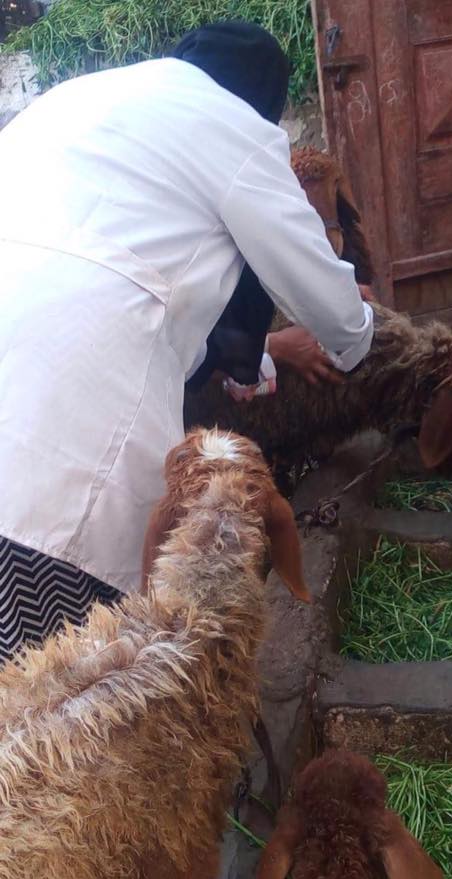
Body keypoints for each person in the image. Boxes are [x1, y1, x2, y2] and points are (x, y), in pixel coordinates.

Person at [0, 21, 373, 660]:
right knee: (78, 693)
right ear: (265, 103)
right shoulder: (235, 125)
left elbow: (120, 280)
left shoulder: (71, 101)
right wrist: (361, 334)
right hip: (56, 459)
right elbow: (329, 303)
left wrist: (251, 355)